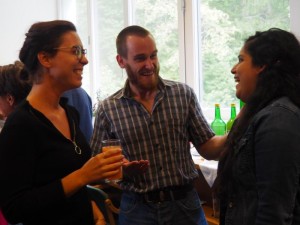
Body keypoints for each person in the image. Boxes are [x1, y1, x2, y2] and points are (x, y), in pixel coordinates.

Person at [90, 25, 226, 225]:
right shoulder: (108, 109)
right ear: (121, 61)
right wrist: (121, 169)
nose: (150, 64)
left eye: (153, 56)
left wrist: (240, 127)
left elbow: (208, 148)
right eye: (140, 58)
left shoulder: (183, 94)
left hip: (185, 206)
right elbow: (97, 167)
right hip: (137, 210)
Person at [0, 20, 124, 225]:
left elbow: (66, 176)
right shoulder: (20, 125)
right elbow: (15, 209)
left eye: (82, 51)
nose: (84, 60)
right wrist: (82, 176)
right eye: (76, 51)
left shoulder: (69, 112)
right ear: (45, 58)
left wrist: (103, 169)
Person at [216, 28, 300, 225]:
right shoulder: (260, 114)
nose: (234, 69)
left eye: (241, 59)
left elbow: (273, 214)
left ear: (262, 65)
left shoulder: (279, 120)